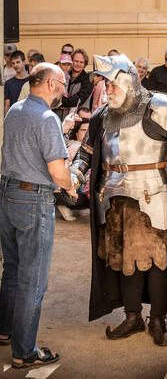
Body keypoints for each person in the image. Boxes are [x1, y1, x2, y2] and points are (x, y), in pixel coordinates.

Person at [67, 53, 167, 346]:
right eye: (105, 85)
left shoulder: (163, 107)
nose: (107, 90)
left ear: (129, 80)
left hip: (155, 197)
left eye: (112, 84)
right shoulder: (101, 115)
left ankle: (157, 319)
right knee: (122, 261)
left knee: (158, 261)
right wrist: (75, 173)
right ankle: (132, 316)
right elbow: (87, 151)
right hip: (111, 201)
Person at [0, 62, 77, 368]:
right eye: (62, 84)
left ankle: (5, 331)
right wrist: (72, 186)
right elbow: (58, 172)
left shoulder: (15, 110)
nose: (64, 90)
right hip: (33, 200)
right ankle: (24, 351)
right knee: (33, 279)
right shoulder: (47, 118)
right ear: (48, 84)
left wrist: (61, 131)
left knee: (14, 270)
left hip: (7, 194)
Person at [56, 48, 94, 120]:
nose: (78, 64)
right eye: (76, 61)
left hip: (76, 119)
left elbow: (79, 99)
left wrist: (61, 102)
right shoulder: (63, 75)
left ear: (85, 64)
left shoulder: (87, 80)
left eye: (81, 62)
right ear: (71, 61)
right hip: (58, 116)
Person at [4, 51, 29, 116]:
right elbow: (7, 105)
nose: (15, 65)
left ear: (24, 62)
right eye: (13, 63)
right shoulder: (8, 83)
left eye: (18, 62)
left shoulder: (32, 81)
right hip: (14, 117)